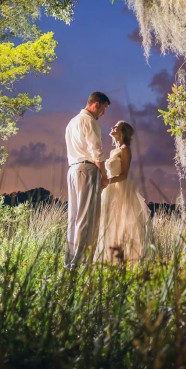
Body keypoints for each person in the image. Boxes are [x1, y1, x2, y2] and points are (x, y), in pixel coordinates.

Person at [64, 91, 110, 267]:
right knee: (86, 217)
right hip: (87, 169)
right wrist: (104, 175)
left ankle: (69, 260)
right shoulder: (89, 121)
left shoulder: (71, 122)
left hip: (73, 169)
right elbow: (96, 150)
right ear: (96, 104)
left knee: (74, 216)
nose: (103, 114)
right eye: (103, 109)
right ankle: (79, 262)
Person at [96, 121, 151, 264]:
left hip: (120, 190)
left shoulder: (125, 149)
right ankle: (110, 259)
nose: (112, 127)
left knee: (120, 223)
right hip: (110, 189)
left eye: (116, 127)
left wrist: (107, 181)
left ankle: (123, 261)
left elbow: (124, 175)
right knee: (108, 223)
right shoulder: (115, 150)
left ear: (123, 132)